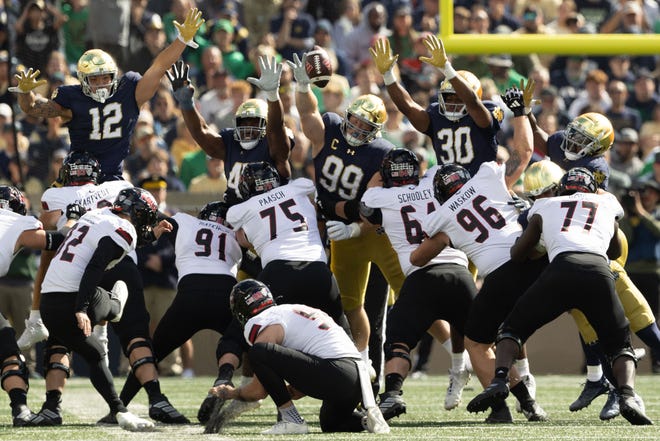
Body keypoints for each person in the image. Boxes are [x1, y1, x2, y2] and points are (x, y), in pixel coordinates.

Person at [468, 167, 653, 426]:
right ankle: (628, 395)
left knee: (512, 330)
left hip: (559, 273)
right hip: (597, 273)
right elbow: (615, 250)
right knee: (620, 345)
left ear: (562, 187)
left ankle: (499, 379)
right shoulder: (607, 202)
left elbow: (519, 254)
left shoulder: (546, 205)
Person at [409, 97, 547, 423]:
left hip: (500, 276)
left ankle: (503, 410)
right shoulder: (487, 176)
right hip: (532, 259)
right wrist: (521, 113)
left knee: (476, 342)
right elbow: (524, 153)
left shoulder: (441, 216)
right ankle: (600, 372)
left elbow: (417, 258)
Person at [288, 53, 405, 384]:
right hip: (330, 226)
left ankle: (381, 371)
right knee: (346, 304)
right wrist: (301, 85)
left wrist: (355, 224)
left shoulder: (382, 153)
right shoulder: (331, 129)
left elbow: (379, 205)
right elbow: (308, 112)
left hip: (369, 228)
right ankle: (356, 361)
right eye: (354, 121)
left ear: (376, 131)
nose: (355, 129)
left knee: (389, 303)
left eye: (365, 127)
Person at [10, 7, 204, 182]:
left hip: (111, 178)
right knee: (49, 215)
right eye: (94, 79)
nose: (101, 83)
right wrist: (26, 93)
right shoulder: (72, 96)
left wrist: (181, 41)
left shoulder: (129, 89)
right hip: (77, 177)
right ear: (82, 79)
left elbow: (159, 66)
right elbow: (33, 107)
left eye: (105, 78)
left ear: (114, 76)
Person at [36, 188, 172, 431]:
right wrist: (81, 308)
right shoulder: (123, 229)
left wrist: (151, 236)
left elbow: (109, 245)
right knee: (113, 295)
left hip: (49, 302)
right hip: (72, 299)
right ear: (139, 214)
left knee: (95, 354)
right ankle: (114, 306)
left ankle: (119, 411)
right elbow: (97, 264)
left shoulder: (95, 215)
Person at [360, 149, 476, 418]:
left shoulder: (379, 196)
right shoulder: (434, 179)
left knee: (398, 341)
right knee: (483, 339)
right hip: (458, 268)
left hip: (419, 275)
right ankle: (520, 397)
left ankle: (392, 395)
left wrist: (380, 177)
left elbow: (367, 207)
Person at [209, 279, 390, 435]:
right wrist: (302, 385)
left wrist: (232, 393)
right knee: (331, 423)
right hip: (359, 377)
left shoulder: (264, 320)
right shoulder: (294, 310)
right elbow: (321, 348)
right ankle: (367, 421)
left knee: (259, 351)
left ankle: (292, 419)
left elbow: (258, 391)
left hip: (339, 372)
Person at [117, 200, 245, 416]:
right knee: (243, 344)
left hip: (191, 292)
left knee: (153, 351)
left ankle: (119, 405)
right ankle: (226, 376)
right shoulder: (236, 235)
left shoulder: (186, 222)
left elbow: (154, 215)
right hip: (225, 292)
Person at [17, 152, 132, 351]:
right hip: (106, 247)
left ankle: (35, 317)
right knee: (106, 258)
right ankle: (102, 333)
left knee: (49, 249)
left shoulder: (55, 195)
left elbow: (48, 222)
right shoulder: (116, 187)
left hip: (72, 254)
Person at [226, 161, 349, 333]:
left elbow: (239, 233)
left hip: (278, 272)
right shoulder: (298, 187)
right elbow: (308, 186)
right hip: (317, 269)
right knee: (340, 329)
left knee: (261, 331)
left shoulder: (241, 209)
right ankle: (359, 359)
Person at [370, 34, 504, 176]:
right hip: (448, 187)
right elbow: (408, 107)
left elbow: (473, 103)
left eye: (458, 98)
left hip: (482, 185)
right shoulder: (437, 114)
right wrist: (388, 76)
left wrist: (446, 68)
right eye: (448, 97)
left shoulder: (486, 110)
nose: (452, 103)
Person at [168, 54, 293, 206]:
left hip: (272, 213)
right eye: (243, 121)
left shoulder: (274, 145)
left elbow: (277, 129)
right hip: (238, 215)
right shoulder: (230, 142)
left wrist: (273, 95)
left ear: (266, 125)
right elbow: (201, 131)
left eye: (254, 121)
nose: (247, 127)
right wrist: (187, 104)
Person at [0, 185, 70, 427]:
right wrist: (71, 221)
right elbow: (53, 241)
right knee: (10, 353)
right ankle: (20, 410)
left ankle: (20, 410)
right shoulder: (19, 222)